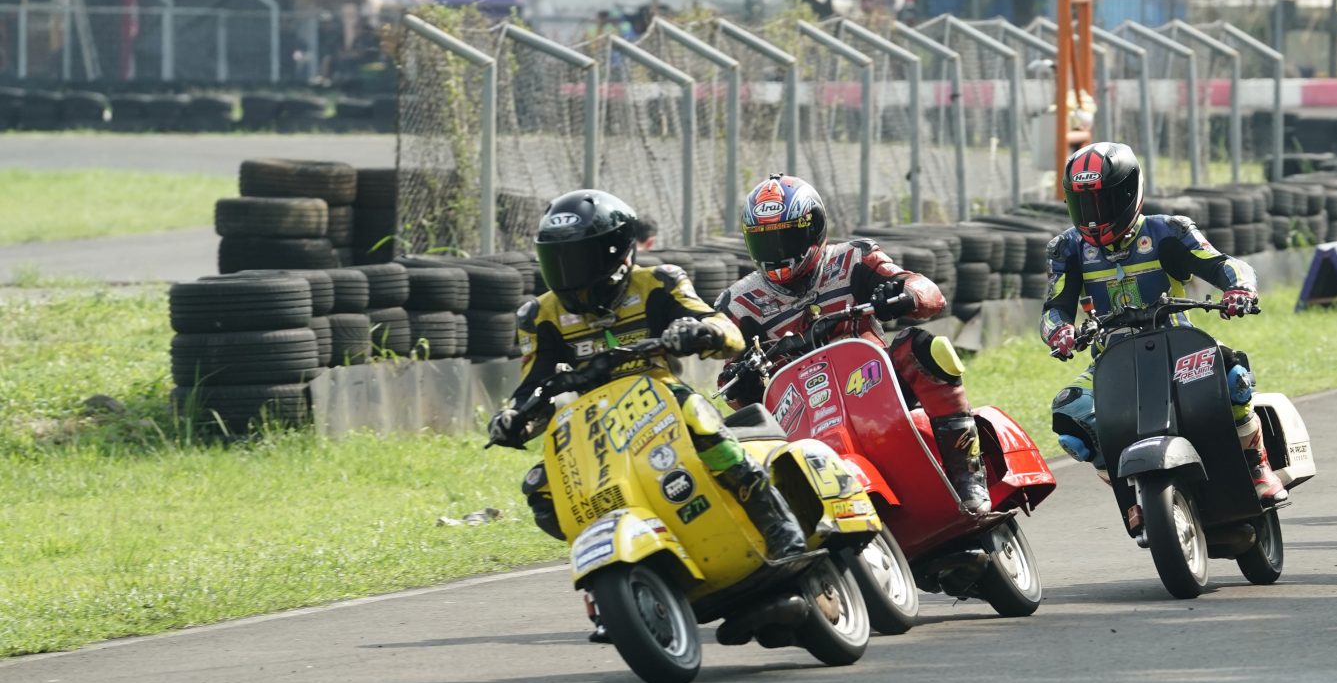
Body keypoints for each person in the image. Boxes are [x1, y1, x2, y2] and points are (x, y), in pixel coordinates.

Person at [488, 188, 807, 564]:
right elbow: (534, 387)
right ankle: (611, 557)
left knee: (698, 418)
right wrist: (513, 420)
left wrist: (698, 332)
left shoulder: (659, 282)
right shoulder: (539, 316)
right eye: (555, 260)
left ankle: (777, 524)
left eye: (577, 259)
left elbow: (727, 333)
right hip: (593, 429)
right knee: (540, 488)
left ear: (616, 251)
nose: (566, 273)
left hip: (661, 407)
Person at [712, 173, 988, 512]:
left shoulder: (855, 257)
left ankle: (968, 475)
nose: (778, 252)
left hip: (874, 382)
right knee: (737, 438)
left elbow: (929, 292)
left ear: (814, 229)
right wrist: (742, 381)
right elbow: (730, 381)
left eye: (788, 237)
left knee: (923, 347)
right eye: (765, 241)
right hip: (801, 411)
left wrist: (902, 295)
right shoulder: (738, 303)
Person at [1042, 141, 1284, 527]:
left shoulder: (1168, 231)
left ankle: (1257, 468)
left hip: (1180, 348)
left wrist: (1239, 290)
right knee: (1071, 417)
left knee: (1234, 372)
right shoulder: (1066, 248)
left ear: (1128, 192)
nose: (1092, 217)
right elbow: (1054, 309)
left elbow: (1224, 265)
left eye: (1102, 203)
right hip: (1113, 361)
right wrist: (1060, 332)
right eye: (1083, 205)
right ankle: (1132, 496)